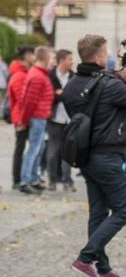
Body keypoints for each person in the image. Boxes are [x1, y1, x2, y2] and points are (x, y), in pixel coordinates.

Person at [63, 35, 126, 277]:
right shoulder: (107, 85)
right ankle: (85, 258)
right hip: (110, 156)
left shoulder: (74, 84)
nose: (109, 57)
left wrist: (119, 75)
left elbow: (102, 93)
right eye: (106, 53)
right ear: (98, 57)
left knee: (98, 212)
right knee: (122, 211)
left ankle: (101, 267)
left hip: (86, 156)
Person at [17, 47, 55, 193]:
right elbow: (29, 102)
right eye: (51, 58)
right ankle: (25, 180)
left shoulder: (39, 74)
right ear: (44, 58)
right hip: (37, 117)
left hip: (41, 116)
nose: (53, 62)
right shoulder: (38, 76)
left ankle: (33, 178)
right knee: (34, 149)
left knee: (38, 148)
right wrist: (24, 120)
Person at [46, 49, 76, 191]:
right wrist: (61, 95)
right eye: (70, 59)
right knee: (53, 151)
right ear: (62, 60)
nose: (72, 62)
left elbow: (75, 97)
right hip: (54, 119)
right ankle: (52, 179)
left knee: (67, 152)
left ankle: (67, 180)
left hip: (69, 120)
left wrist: (60, 94)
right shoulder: (50, 75)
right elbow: (48, 96)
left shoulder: (74, 77)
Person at [8, 45, 35, 189]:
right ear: (26, 56)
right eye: (32, 54)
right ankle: (17, 180)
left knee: (24, 147)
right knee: (20, 148)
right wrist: (21, 119)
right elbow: (21, 100)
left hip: (23, 116)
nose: (34, 57)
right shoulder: (19, 74)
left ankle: (22, 177)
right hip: (20, 117)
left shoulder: (24, 72)